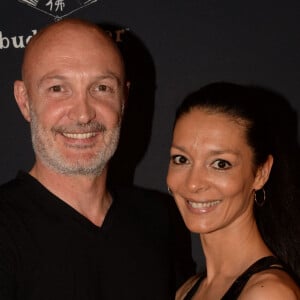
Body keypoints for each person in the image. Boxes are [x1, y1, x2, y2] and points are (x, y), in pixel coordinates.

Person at [0, 18, 195, 299]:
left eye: (101, 88)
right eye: (58, 88)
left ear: (124, 98)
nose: (83, 114)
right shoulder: (6, 228)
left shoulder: (159, 219)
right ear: (24, 100)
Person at [166, 82, 300, 299]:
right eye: (181, 159)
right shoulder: (187, 291)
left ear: (261, 173)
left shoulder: (268, 294)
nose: (193, 183)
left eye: (220, 164)